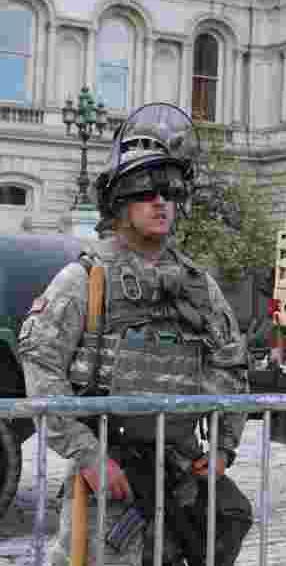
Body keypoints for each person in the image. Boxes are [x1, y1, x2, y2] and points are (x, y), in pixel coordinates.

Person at [17, 103, 253, 566]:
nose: (161, 201)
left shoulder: (198, 285)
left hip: (183, 476)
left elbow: (230, 365)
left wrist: (223, 447)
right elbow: (42, 368)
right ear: (120, 204)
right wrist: (87, 455)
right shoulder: (84, 279)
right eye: (146, 191)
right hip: (110, 478)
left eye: (170, 189)